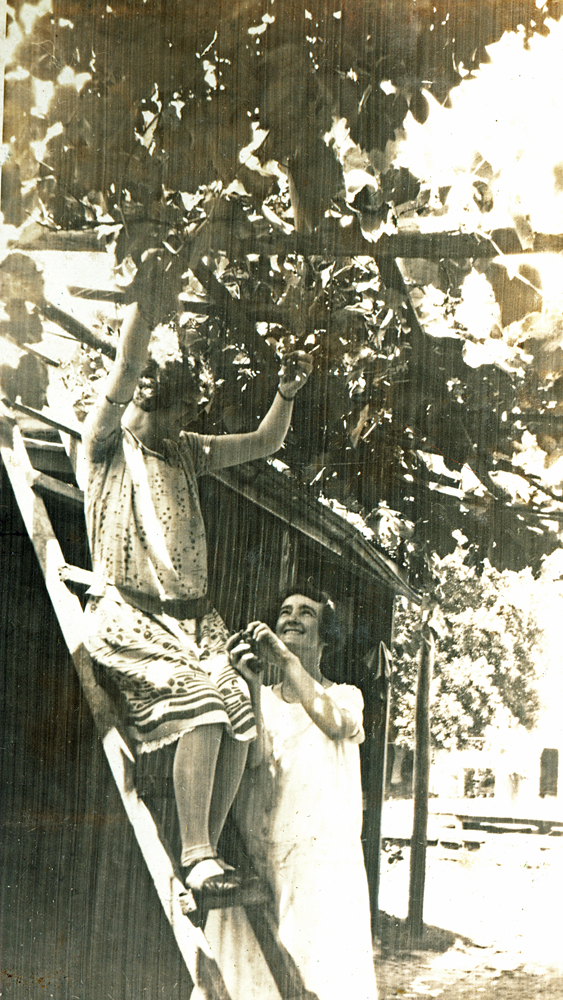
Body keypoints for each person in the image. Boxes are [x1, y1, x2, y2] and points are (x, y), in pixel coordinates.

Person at [81, 264, 312, 895]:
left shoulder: (187, 450)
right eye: (181, 408)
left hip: (196, 623)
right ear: (152, 402)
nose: (189, 420)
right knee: (205, 707)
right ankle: (197, 850)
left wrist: (287, 392)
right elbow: (126, 371)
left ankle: (202, 854)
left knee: (240, 707)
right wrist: (145, 308)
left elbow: (265, 441)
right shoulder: (105, 445)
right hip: (132, 617)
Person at [227, 587, 378, 1000]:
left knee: (320, 977)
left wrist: (287, 660)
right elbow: (255, 759)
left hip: (325, 859)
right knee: (271, 979)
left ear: (325, 635)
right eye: (285, 611)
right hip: (270, 852)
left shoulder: (346, 695)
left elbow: (332, 722)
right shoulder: (268, 702)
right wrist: (254, 685)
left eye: (306, 613)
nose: (291, 617)